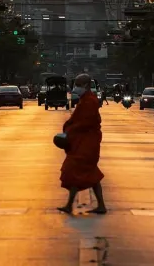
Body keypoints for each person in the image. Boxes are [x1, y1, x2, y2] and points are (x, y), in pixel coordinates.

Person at [58, 73, 107, 215]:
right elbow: (77, 119)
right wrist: (68, 126)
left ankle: (69, 204)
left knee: (74, 170)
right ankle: (100, 205)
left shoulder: (90, 101)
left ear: (85, 85)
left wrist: (70, 129)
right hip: (82, 141)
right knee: (90, 174)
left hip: (87, 143)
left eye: (78, 85)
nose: (76, 88)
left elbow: (86, 122)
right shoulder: (84, 99)